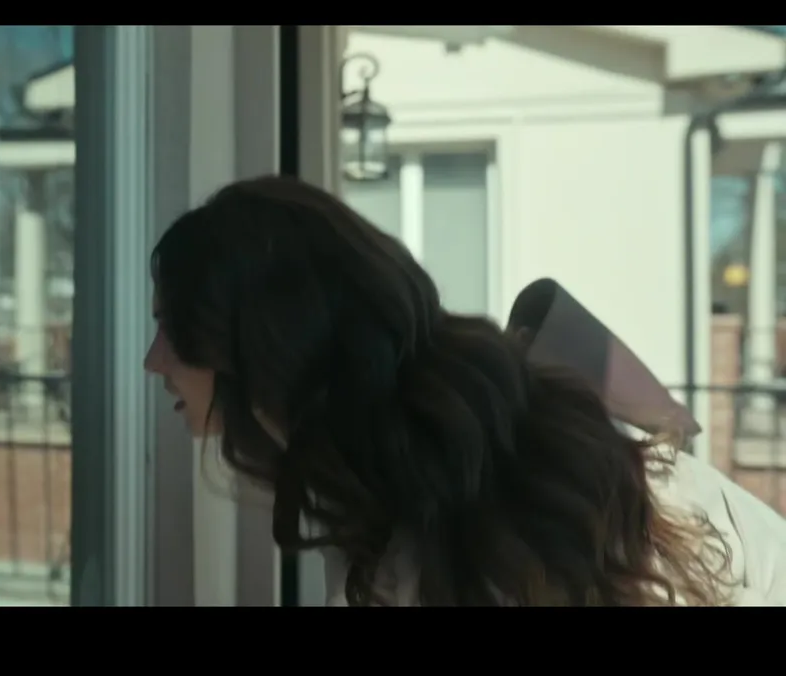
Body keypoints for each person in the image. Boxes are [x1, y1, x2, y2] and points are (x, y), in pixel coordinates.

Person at [145, 175, 786, 607]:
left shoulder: (479, 518)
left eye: (170, 327)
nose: (152, 362)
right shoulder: (396, 494)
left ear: (259, 345)